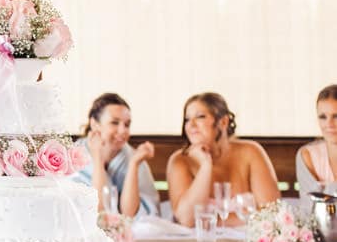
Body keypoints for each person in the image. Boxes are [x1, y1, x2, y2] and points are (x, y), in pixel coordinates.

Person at [167, 92, 279, 227]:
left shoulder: (251, 152)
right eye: (187, 119)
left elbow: (271, 213)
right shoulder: (179, 161)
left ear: (223, 122)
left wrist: (210, 222)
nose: (191, 125)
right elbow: (187, 220)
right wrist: (205, 166)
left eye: (200, 117)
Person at [72, 93, 158, 217]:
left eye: (127, 124)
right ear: (95, 124)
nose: (123, 131)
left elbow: (130, 215)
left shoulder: (134, 157)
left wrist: (133, 164)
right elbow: (99, 211)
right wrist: (97, 158)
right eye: (114, 122)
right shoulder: (73, 157)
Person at [297, 84, 337, 209]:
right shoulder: (308, 155)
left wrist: (326, 191)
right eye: (323, 117)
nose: (329, 124)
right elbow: (309, 206)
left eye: (336, 116)